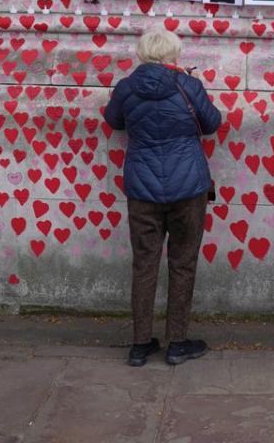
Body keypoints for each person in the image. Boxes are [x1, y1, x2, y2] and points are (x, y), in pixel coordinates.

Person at [104, 29, 221, 367]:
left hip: (142, 188)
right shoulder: (188, 86)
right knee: (182, 264)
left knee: (144, 264)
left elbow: (114, 122)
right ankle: (177, 343)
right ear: (174, 54)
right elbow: (212, 123)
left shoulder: (126, 87)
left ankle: (140, 345)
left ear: (142, 54)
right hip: (188, 187)